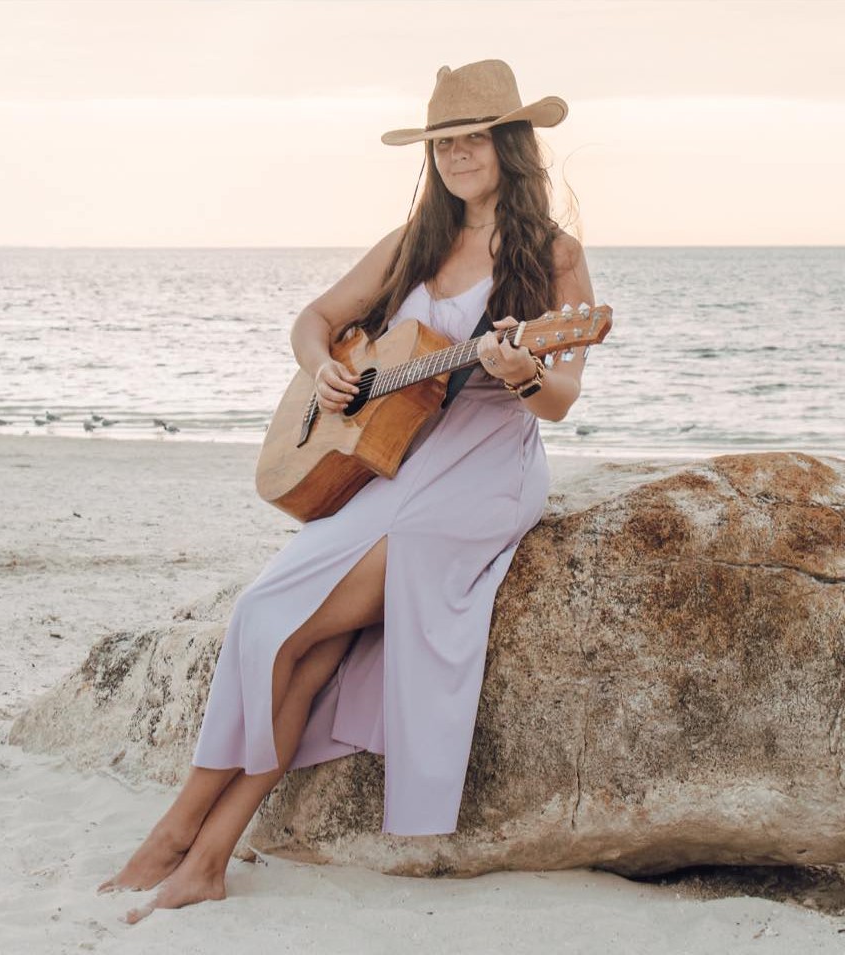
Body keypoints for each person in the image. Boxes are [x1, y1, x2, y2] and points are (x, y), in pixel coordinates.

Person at [100, 58, 595, 923]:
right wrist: (325, 370)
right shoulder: (415, 242)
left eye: (473, 137)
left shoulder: (555, 256)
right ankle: (203, 850)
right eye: (443, 142)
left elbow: (560, 398)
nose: (455, 155)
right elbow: (315, 320)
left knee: (280, 625)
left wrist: (519, 368)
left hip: (482, 477)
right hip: (396, 463)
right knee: (284, 628)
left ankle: (182, 832)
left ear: (510, 145)